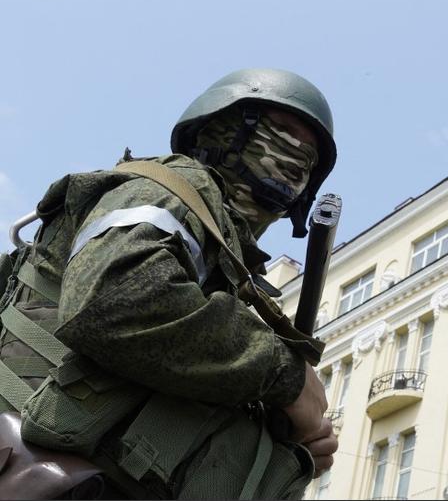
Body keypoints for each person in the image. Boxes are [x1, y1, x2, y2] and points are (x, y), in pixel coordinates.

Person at [0, 68, 339, 499]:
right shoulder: (173, 188)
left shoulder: (232, 277)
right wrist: (286, 376)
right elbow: (116, 299)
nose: (291, 159)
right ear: (217, 128)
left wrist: (289, 438)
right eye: (279, 132)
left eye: (308, 158)